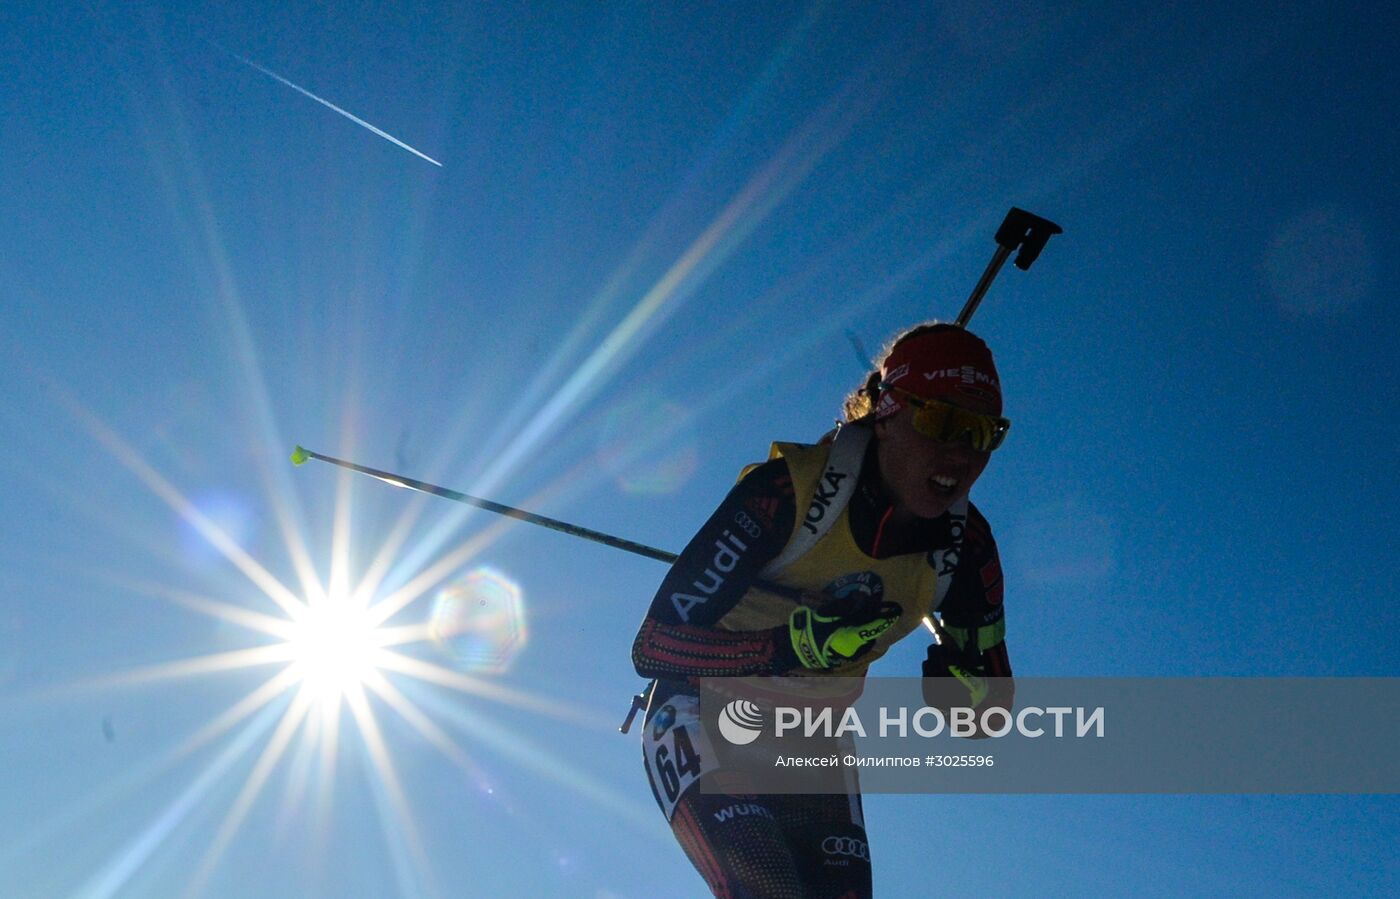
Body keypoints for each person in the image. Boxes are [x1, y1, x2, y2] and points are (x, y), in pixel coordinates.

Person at [630, 322, 1015, 899]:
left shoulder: (968, 549)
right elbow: (654, 646)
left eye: (985, 433)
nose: (961, 452)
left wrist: (968, 694)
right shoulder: (786, 494)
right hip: (699, 705)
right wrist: (791, 646)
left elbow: (992, 708)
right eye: (942, 420)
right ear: (887, 412)